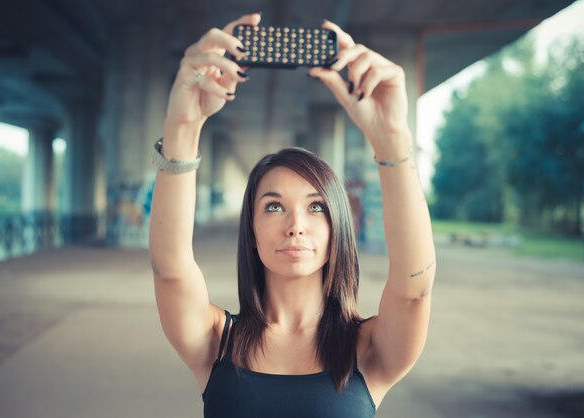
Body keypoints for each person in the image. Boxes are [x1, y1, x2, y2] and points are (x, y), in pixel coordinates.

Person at [149, 12, 436, 418]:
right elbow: (170, 270)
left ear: (337, 226)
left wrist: (392, 142)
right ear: (250, 229)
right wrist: (183, 124)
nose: (295, 225)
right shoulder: (214, 341)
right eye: (273, 206)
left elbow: (415, 289)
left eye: (316, 206)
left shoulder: (371, 350)